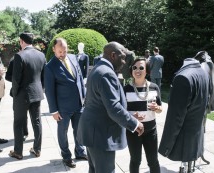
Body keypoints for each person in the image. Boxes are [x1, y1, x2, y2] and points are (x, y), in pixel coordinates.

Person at [77, 42, 144, 173]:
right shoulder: (107, 73)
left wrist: (129, 115)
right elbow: (113, 108)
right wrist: (135, 123)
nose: (125, 62)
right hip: (101, 135)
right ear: (113, 55)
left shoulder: (99, 68)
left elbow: (103, 103)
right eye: (123, 57)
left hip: (94, 132)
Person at [158, 57, 209, 170]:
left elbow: (176, 116)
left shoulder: (182, 78)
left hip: (183, 136)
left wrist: (166, 146)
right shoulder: (203, 72)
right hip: (196, 132)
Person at [44, 38, 87, 168]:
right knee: (63, 132)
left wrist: (84, 98)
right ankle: (66, 156)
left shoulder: (74, 58)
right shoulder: (50, 67)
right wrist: (54, 111)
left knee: (79, 130)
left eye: (65, 50)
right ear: (54, 50)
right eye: (60, 51)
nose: (63, 53)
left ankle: (80, 152)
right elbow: (49, 91)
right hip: (63, 108)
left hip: (79, 104)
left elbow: (79, 78)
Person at [9, 32, 46, 160]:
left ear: (22, 41)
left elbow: (16, 79)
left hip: (22, 95)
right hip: (37, 93)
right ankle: (37, 149)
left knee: (18, 123)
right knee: (36, 121)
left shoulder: (19, 56)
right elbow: (43, 77)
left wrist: (14, 93)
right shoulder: (41, 55)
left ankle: (18, 152)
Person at [123, 57, 162, 173]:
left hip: (151, 130)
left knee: (153, 161)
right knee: (135, 160)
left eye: (141, 68)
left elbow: (160, 109)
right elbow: (121, 111)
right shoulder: (126, 89)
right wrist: (131, 117)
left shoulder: (154, 87)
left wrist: (157, 108)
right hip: (133, 130)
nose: (137, 70)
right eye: (135, 68)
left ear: (147, 71)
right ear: (131, 70)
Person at [5, 57, 28, 141]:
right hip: (18, 91)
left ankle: (33, 136)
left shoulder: (31, 57)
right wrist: (17, 80)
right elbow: (7, 76)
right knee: (19, 115)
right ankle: (23, 133)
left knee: (34, 117)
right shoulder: (13, 60)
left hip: (31, 91)